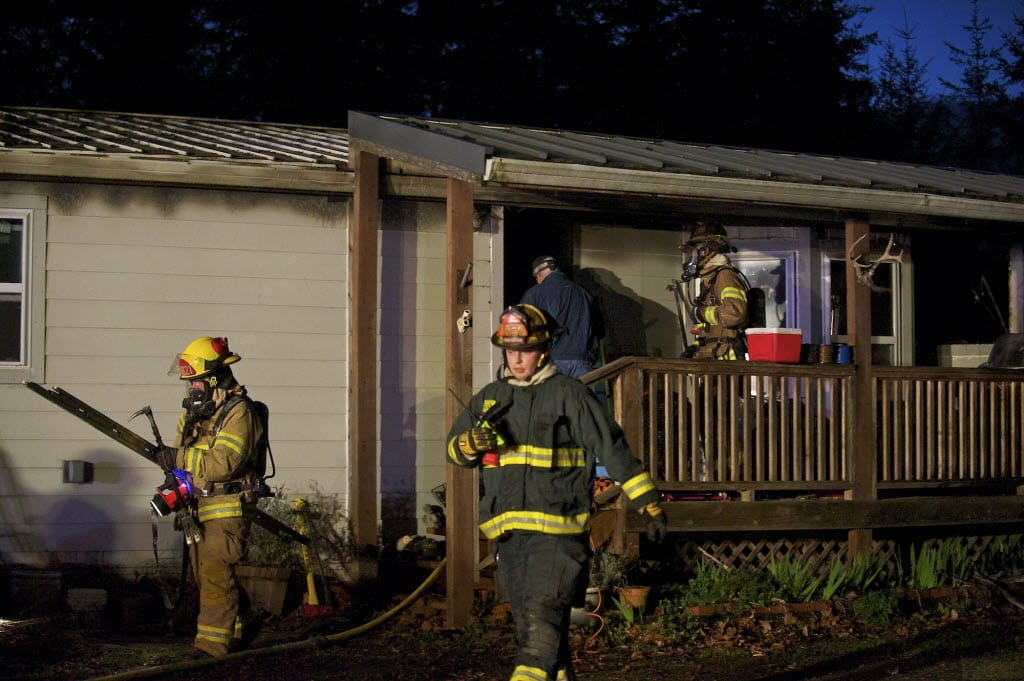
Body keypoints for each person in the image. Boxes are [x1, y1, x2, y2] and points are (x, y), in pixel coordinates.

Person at [446, 303, 666, 681]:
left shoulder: (569, 395)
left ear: (544, 349)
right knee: (535, 625)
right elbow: (454, 451)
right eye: (510, 350)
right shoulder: (488, 399)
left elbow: (612, 447)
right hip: (508, 535)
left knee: (542, 618)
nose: (517, 359)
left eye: (526, 350)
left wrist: (648, 502)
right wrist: (469, 442)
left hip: (558, 532)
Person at [157, 336, 264, 658]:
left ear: (214, 378)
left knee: (216, 573)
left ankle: (210, 648)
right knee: (209, 576)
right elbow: (179, 456)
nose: (191, 391)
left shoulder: (239, 413)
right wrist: (172, 481)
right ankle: (240, 625)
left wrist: (176, 459)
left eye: (196, 384)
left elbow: (223, 463)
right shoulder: (193, 414)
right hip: (198, 505)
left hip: (228, 506)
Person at [521, 255, 601, 379]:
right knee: (581, 397)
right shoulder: (583, 293)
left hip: (551, 361)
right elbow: (599, 330)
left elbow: (522, 328)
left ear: (539, 273)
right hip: (582, 361)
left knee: (552, 398)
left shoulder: (535, 294)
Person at [679, 222, 749, 360]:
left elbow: (734, 314)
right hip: (713, 356)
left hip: (726, 364)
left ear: (705, 251)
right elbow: (711, 330)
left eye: (693, 252)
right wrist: (696, 347)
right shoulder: (710, 279)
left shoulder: (725, 276)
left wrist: (702, 313)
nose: (690, 258)